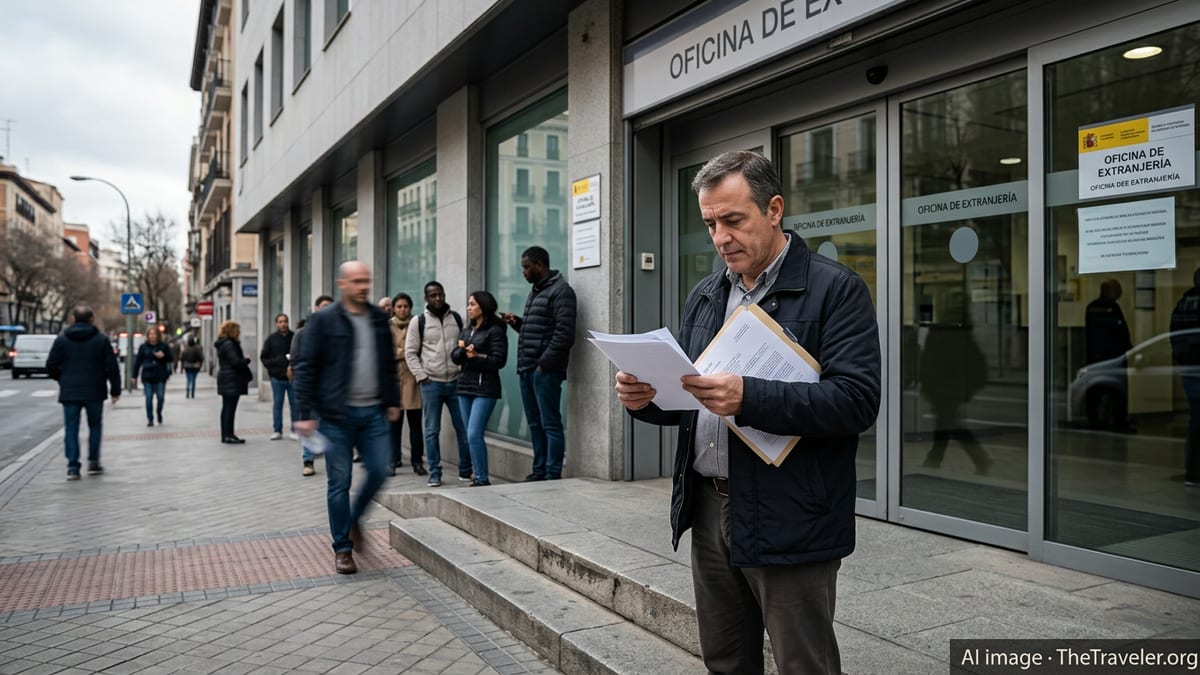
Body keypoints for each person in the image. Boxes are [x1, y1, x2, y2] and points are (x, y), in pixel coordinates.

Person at [614, 151, 880, 674]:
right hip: (711, 508)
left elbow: (856, 401)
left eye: (733, 220)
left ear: (774, 209)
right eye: (711, 223)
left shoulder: (835, 289)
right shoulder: (707, 294)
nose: (721, 237)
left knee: (804, 662)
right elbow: (693, 400)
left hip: (792, 510)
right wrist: (645, 401)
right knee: (726, 660)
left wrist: (749, 397)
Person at [293, 261, 401, 575]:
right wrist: (305, 414)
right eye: (356, 281)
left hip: (373, 412)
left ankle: (354, 519)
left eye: (366, 280)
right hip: (335, 416)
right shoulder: (324, 320)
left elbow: (387, 364)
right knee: (339, 482)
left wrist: (392, 401)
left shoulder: (379, 318)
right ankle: (343, 548)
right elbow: (306, 367)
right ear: (343, 284)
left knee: (381, 470)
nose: (362, 286)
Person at [500, 246, 577, 481]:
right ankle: (539, 470)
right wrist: (518, 323)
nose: (523, 272)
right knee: (534, 422)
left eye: (526, 267)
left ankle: (552, 473)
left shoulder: (561, 291)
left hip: (544, 370)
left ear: (540, 265)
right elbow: (540, 329)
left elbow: (564, 334)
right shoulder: (537, 291)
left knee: (549, 423)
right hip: (528, 367)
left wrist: (544, 364)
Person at [405, 280, 472, 488]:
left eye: (440, 294)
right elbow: (410, 352)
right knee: (432, 430)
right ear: (426, 298)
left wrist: (462, 370)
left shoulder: (457, 319)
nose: (438, 298)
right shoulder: (419, 321)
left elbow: (463, 347)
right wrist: (421, 376)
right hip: (431, 383)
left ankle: (465, 470)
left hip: (455, 382)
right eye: (433, 295)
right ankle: (434, 472)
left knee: (463, 429)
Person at [46, 305, 121, 480]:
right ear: (91, 319)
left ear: (73, 319)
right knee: (95, 426)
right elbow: (112, 367)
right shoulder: (101, 340)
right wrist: (115, 390)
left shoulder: (62, 339)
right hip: (95, 390)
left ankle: (73, 467)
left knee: (71, 428)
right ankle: (93, 462)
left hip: (70, 391)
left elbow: (50, 365)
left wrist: (62, 378)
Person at [919, 316, 992, 475]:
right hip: (944, 391)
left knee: (948, 425)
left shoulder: (948, 341)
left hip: (946, 391)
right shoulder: (960, 341)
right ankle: (936, 459)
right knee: (946, 425)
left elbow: (928, 364)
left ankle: (936, 459)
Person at [451, 290, 508, 487]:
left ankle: (482, 478)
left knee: (474, 433)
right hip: (465, 386)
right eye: (468, 304)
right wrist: (461, 351)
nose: (468, 308)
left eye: (472, 304)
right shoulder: (467, 330)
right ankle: (477, 473)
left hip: (486, 389)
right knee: (469, 434)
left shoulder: (495, 330)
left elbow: (499, 361)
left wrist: (477, 356)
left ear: (483, 307)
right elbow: (455, 357)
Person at [291, 295, 334, 475]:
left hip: (330, 390)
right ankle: (308, 461)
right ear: (316, 308)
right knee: (308, 424)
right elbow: (294, 361)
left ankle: (333, 463)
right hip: (309, 389)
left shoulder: (335, 334)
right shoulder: (302, 333)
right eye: (323, 306)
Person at [1085, 279, 1133, 430]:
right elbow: (1120, 333)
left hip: (1095, 356)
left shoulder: (1091, 307)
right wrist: (1127, 350)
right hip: (1113, 356)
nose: (1120, 292)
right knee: (1117, 391)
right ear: (1109, 291)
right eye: (1117, 289)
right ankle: (1118, 421)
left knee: (1096, 389)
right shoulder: (1112, 308)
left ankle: (1096, 419)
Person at [388, 292, 427, 476]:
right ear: (394, 309)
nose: (402, 309)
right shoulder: (387, 326)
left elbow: (422, 350)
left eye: (406, 306)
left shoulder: (418, 323)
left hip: (413, 380)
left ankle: (417, 461)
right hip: (394, 381)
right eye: (399, 306)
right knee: (394, 425)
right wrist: (407, 351)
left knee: (415, 425)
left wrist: (402, 352)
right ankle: (393, 459)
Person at [1170, 268, 1200, 487]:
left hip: (1188, 368)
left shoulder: (1183, 303)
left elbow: (1175, 336)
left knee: (1196, 420)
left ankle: (1193, 472)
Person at [261, 313, 297, 441]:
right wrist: (273, 367)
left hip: (293, 377)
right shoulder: (271, 339)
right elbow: (264, 357)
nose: (283, 324)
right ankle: (277, 430)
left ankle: (295, 429)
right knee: (278, 404)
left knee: (295, 404)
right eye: (281, 321)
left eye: (285, 321)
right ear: (277, 323)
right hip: (277, 378)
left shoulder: (294, 337)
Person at [215, 320, 253, 444]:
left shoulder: (224, 344)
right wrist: (246, 360)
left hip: (226, 378)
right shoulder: (229, 345)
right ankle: (228, 435)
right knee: (229, 408)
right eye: (238, 331)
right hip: (231, 378)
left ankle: (226, 434)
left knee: (227, 408)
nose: (239, 333)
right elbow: (235, 362)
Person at [133, 327, 172, 427]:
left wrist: (163, 356)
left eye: (154, 334)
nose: (152, 336)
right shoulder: (143, 347)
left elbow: (170, 358)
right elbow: (138, 362)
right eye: (150, 334)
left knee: (160, 397)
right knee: (149, 398)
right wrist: (134, 376)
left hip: (160, 375)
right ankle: (150, 418)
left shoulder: (163, 346)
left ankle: (159, 412)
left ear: (158, 335)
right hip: (147, 376)